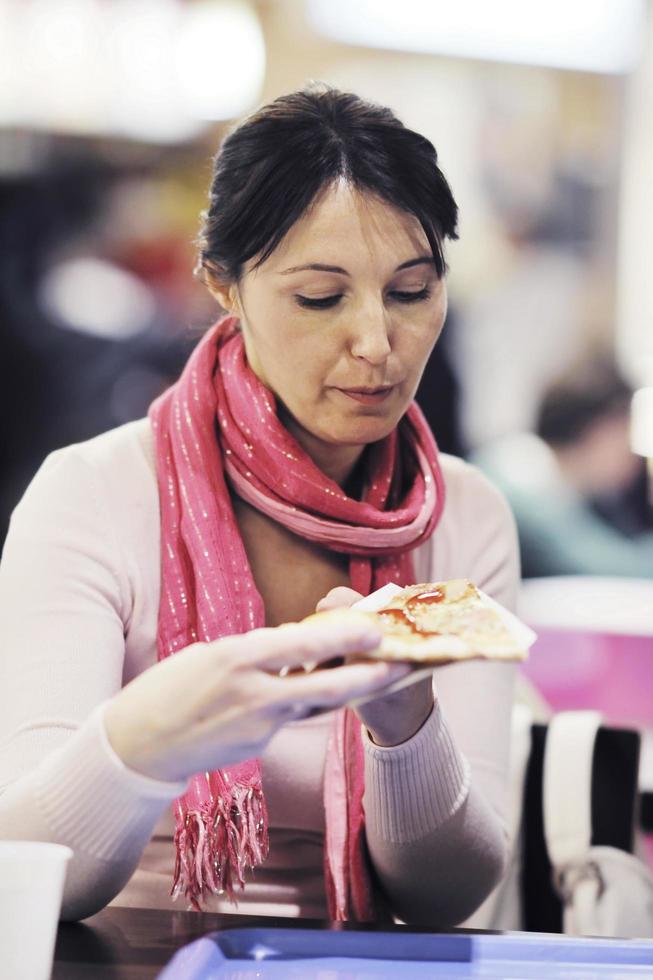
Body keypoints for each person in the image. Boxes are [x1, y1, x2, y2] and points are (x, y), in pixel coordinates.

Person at [0, 87, 519, 927]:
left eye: (411, 291)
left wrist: (403, 722)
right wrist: (151, 737)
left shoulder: (462, 514)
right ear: (224, 287)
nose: (376, 344)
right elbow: (29, 875)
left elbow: (450, 898)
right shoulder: (93, 493)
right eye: (320, 298)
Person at [473, 361, 653, 578]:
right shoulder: (521, 479)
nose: (632, 455)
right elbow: (604, 567)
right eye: (625, 435)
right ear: (600, 431)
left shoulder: (537, 467)